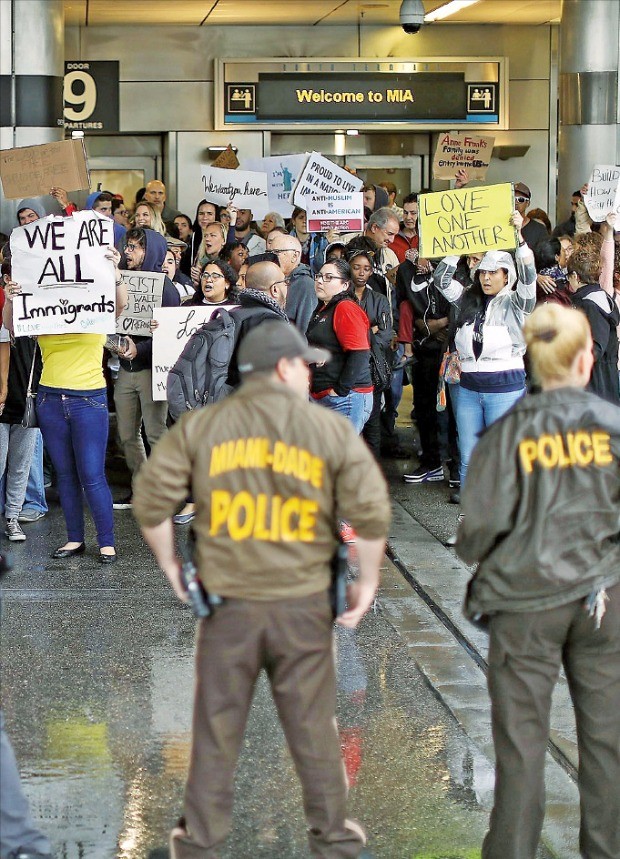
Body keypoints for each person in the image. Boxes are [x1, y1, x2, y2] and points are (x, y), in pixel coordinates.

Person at [133, 319, 390, 859]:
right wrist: (365, 583)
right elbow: (370, 512)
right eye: (302, 363)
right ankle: (335, 841)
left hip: (229, 610)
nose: (307, 372)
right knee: (315, 729)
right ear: (281, 368)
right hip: (302, 610)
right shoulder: (325, 431)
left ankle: (201, 843)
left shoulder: (204, 428)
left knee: (216, 728)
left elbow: (151, 503)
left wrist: (172, 568)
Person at [456, 302, 620, 859]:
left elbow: (476, 533)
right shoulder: (615, 429)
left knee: (522, 744)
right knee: (608, 742)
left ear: (533, 359)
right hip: (604, 598)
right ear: (586, 360)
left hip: (524, 604)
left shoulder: (508, 435)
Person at [3, 251, 127, 563]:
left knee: (91, 473)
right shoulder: (44, 310)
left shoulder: (96, 305)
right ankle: (75, 539)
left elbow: (120, 306)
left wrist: (115, 272)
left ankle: (107, 541)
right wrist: (10, 296)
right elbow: (11, 327)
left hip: (88, 398)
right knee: (65, 474)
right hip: (49, 399)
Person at [113, 228, 180, 509]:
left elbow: (172, 338)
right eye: (127, 246)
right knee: (127, 434)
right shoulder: (118, 281)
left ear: (150, 251)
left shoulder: (166, 289)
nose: (128, 251)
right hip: (125, 369)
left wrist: (140, 348)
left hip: (152, 371)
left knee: (155, 434)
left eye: (135, 247)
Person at [306, 258, 373, 433]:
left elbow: (360, 352)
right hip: (325, 396)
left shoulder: (345, 308)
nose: (320, 281)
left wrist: (340, 390)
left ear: (345, 285)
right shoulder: (323, 308)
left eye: (329, 277)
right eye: (319, 276)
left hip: (346, 399)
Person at [348, 249, 392, 458]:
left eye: (366, 269)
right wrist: (369, 330)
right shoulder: (341, 297)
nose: (361, 273)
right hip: (345, 368)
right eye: (356, 267)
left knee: (372, 425)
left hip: (371, 368)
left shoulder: (379, 299)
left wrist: (362, 335)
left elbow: (385, 335)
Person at [567, 246, 620, 404]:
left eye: (568, 276)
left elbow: (596, 347)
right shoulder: (600, 298)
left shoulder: (590, 303)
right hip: (602, 375)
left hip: (596, 379)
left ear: (575, 276)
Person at [267, 232, 316, 333]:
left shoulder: (305, 285)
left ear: (295, 256)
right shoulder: (270, 280)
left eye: (276, 253)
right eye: (268, 253)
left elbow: (305, 329)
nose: (270, 258)